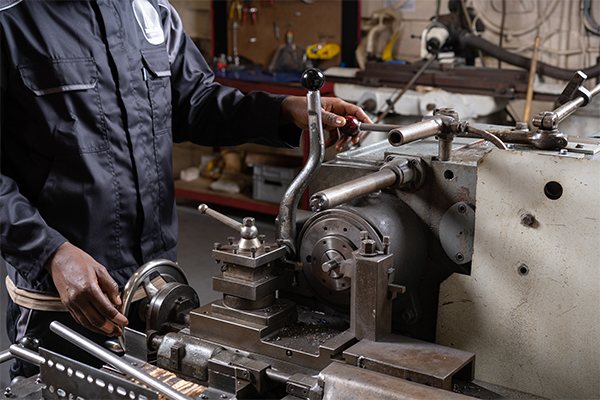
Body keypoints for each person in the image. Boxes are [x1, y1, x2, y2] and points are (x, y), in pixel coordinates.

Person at [0, 0, 371, 380]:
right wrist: (50, 252)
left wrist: (282, 111)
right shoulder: (11, 18)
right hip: (63, 305)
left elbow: (196, 103)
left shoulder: (151, 12)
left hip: (158, 293)